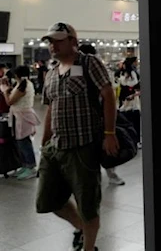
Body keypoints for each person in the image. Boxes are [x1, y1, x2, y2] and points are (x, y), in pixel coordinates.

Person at [37, 22, 119, 251]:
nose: (52, 45)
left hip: (83, 146)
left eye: (58, 40)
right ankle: (82, 227)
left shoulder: (88, 62)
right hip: (56, 147)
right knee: (49, 200)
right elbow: (51, 109)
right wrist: (44, 143)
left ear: (73, 41)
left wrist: (109, 133)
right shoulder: (51, 72)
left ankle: (89, 247)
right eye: (50, 41)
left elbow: (108, 94)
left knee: (88, 204)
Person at [78, 44, 125, 186]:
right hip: (96, 114)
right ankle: (111, 174)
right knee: (102, 148)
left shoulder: (88, 67)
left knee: (102, 146)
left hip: (94, 114)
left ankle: (108, 174)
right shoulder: (81, 67)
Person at [1, 66, 40, 180]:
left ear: (16, 75)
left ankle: (31, 167)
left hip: (23, 116)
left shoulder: (23, 85)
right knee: (19, 141)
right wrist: (8, 88)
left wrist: (4, 90)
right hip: (19, 116)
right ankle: (25, 165)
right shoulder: (22, 84)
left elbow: (9, 101)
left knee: (24, 141)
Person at [117, 58, 141, 148]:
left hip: (132, 100)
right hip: (125, 99)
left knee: (133, 120)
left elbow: (133, 84)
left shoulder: (132, 74)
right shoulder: (123, 73)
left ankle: (136, 140)